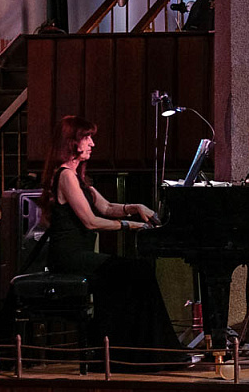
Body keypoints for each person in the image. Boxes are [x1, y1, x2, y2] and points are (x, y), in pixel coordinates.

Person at [38, 116, 183, 367]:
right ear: (72, 142)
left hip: (80, 255)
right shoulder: (65, 176)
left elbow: (106, 207)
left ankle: (141, 351)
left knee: (136, 272)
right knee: (136, 271)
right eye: (87, 138)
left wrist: (136, 207)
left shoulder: (77, 178)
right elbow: (91, 221)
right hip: (69, 257)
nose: (92, 143)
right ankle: (139, 352)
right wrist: (132, 225)